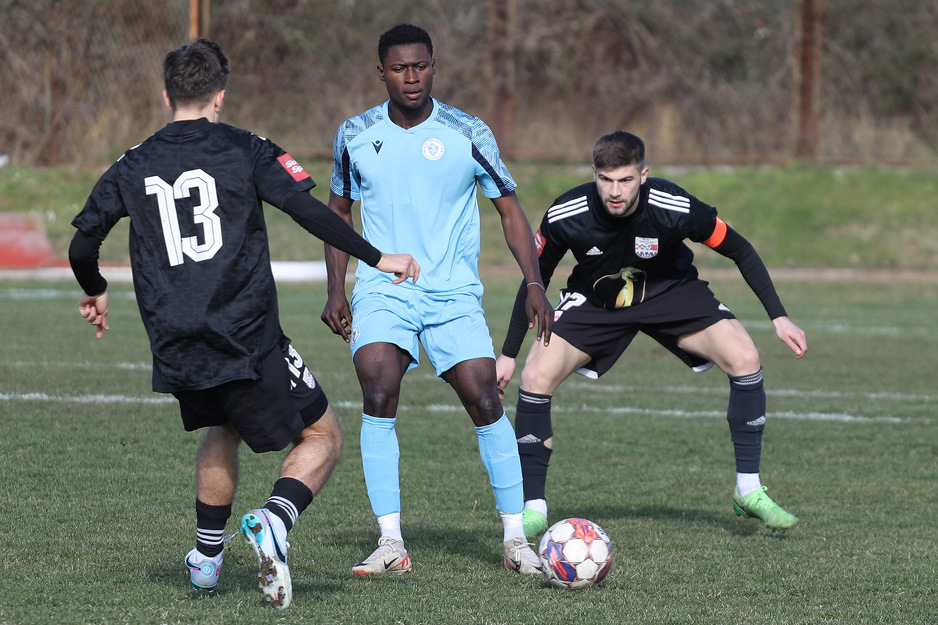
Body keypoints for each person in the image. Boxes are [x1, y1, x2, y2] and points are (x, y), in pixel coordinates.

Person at [68, 38, 420, 609]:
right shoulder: (246, 148)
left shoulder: (131, 163)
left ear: (166, 95)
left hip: (176, 339)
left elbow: (83, 243)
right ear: (220, 97)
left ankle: (206, 560)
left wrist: (96, 289)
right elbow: (306, 209)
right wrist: (379, 258)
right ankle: (276, 520)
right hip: (246, 331)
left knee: (221, 427)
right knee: (323, 435)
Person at [320, 23, 553, 576]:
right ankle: (390, 542)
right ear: (381, 73)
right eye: (400, 68)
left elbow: (510, 211)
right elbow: (337, 212)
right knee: (378, 387)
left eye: (421, 66)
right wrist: (337, 287)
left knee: (485, 398)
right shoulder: (354, 134)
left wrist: (536, 284)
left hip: (452, 293)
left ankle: (516, 539)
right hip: (384, 288)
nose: (412, 77)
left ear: (434, 66)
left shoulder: (468, 131)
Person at [496, 130, 807, 537]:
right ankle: (533, 506)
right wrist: (509, 353)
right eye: (606, 179)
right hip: (597, 300)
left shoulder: (673, 205)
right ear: (594, 174)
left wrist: (779, 317)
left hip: (672, 292)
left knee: (745, 357)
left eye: (625, 180)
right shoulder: (566, 214)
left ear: (644, 175)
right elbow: (534, 280)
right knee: (536, 377)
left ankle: (748, 489)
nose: (614, 191)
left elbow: (739, 248)